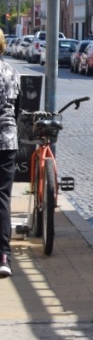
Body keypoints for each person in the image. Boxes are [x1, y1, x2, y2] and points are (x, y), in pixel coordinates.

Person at [0, 32, 17, 277]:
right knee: (2, 198)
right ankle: (3, 255)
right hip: (7, 139)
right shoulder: (10, 71)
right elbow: (18, 105)